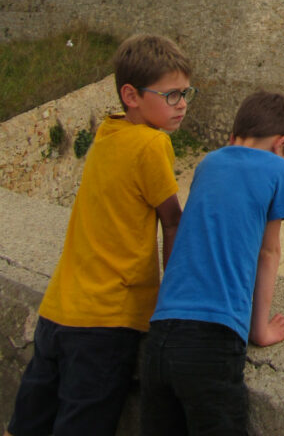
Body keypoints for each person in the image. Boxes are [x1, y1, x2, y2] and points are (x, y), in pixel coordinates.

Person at [4, 33, 194, 436]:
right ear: (131, 95)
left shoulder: (108, 132)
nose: (183, 105)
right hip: (106, 321)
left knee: (29, 424)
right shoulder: (151, 143)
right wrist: (172, 301)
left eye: (185, 93)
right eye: (172, 95)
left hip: (58, 311)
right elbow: (172, 221)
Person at [141, 90, 284, 436]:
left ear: (233, 138)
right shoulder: (276, 168)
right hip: (211, 341)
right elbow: (268, 252)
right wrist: (260, 330)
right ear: (282, 143)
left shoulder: (208, 162)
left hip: (160, 333)